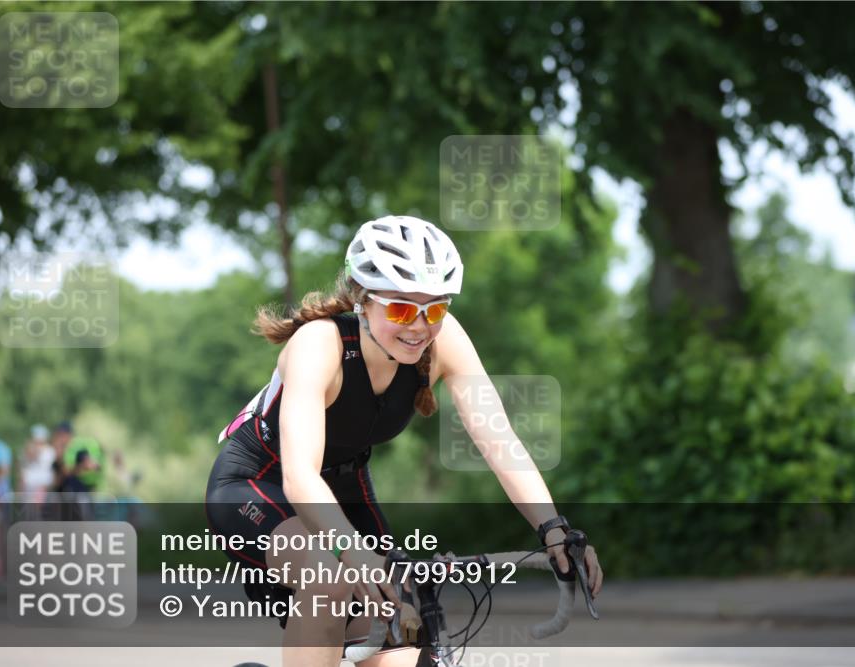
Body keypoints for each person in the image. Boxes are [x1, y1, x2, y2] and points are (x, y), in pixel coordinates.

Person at [205, 215, 603, 667]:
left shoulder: (442, 341)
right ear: (362, 299)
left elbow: (497, 438)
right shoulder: (320, 345)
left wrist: (553, 528)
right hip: (259, 485)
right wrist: (353, 551)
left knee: (404, 643)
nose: (419, 326)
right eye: (399, 309)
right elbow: (300, 478)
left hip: (345, 490)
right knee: (329, 579)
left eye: (434, 309)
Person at [19, 424, 56, 502]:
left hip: (41, 485)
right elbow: (24, 467)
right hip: (28, 486)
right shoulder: (27, 449)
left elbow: (46, 470)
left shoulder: (49, 451)